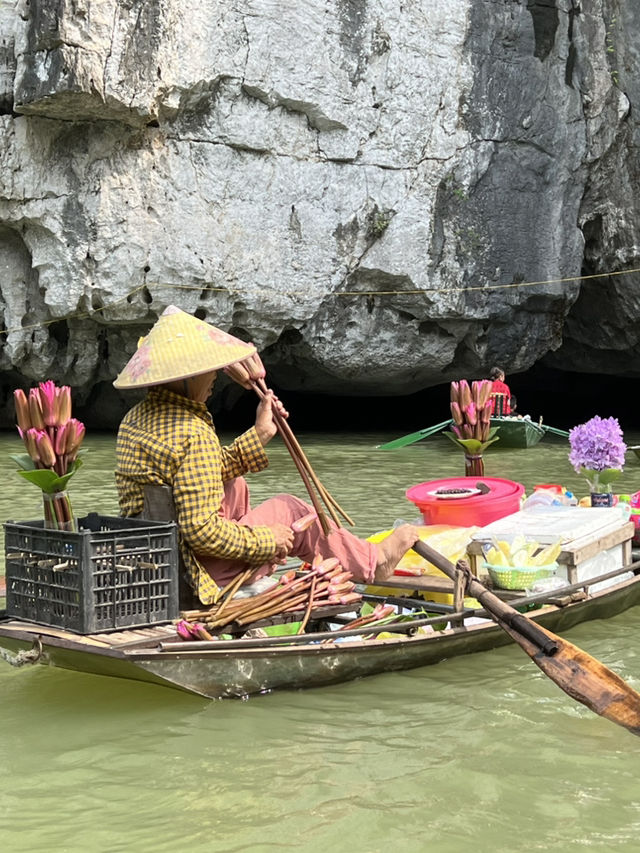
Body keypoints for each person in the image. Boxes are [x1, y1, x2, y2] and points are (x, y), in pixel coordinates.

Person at [113, 306, 420, 605]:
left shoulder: (134, 420)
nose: (214, 379)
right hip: (197, 571)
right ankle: (375, 561)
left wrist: (261, 432)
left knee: (235, 483)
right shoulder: (193, 432)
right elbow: (201, 532)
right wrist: (267, 539)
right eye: (206, 371)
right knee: (295, 512)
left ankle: (355, 555)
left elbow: (200, 473)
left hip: (157, 563)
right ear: (185, 377)